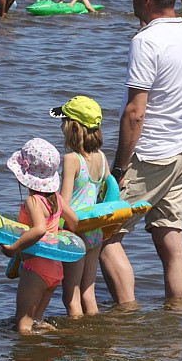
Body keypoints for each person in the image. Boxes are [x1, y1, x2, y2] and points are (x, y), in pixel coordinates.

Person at [100, 0, 182, 306]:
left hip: (147, 157)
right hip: (181, 153)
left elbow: (136, 112)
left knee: (104, 238)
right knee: (172, 243)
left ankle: (126, 316)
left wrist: (118, 169)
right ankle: (175, 325)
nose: (131, 0)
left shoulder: (145, 41)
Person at [0, 138, 79, 333]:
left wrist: (13, 249)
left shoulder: (34, 201)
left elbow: (39, 229)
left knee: (23, 324)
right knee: (36, 320)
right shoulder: (57, 199)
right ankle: (50, 345)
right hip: (55, 269)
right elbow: (74, 221)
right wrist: (62, 233)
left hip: (36, 268)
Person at [49, 96, 108, 317]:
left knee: (70, 296)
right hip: (94, 232)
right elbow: (106, 195)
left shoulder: (72, 159)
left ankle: (76, 344)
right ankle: (92, 335)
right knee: (88, 294)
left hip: (75, 232)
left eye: (63, 123)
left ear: (73, 127)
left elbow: (64, 202)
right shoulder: (102, 158)